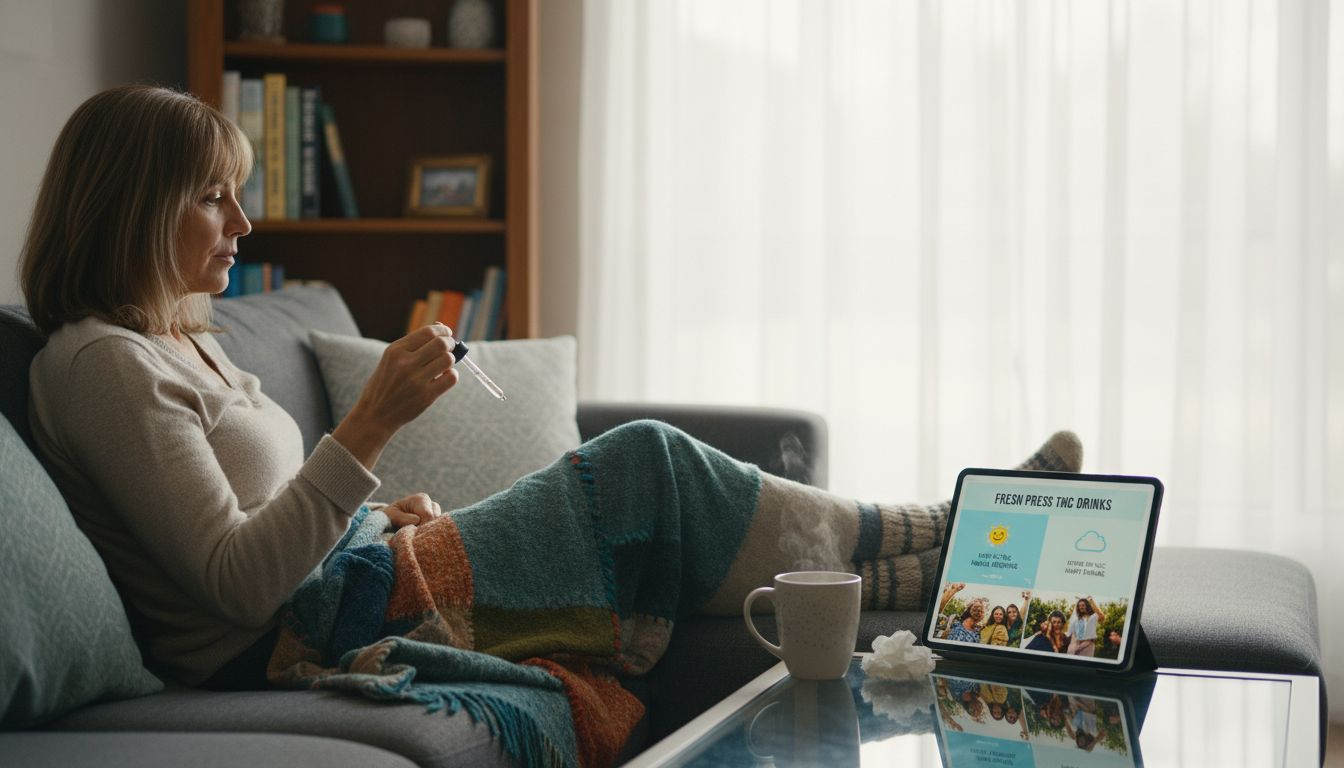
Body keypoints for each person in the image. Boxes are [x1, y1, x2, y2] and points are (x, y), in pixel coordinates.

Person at [20, 85, 1086, 694]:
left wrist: (374, 513)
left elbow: (265, 523)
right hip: (295, 637)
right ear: (132, 207)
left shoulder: (178, 343)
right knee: (644, 468)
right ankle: (953, 530)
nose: (243, 227)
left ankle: (947, 564)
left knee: (650, 503)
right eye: (214, 200)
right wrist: (374, 421)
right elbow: (238, 586)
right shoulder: (99, 365)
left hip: (348, 577)